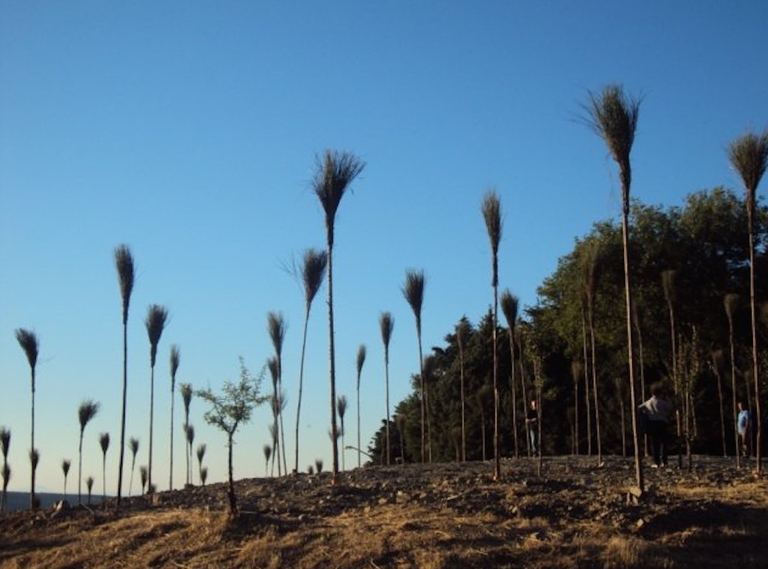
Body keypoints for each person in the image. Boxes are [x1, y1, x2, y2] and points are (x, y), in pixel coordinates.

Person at [638, 386, 672, 468]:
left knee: (654, 443)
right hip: (662, 423)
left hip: (652, 424)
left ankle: (656, 462)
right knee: (664, 443)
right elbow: (670, 408)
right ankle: (664, 461)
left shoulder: (648, 403)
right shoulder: (662, 402)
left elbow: (638, 408)